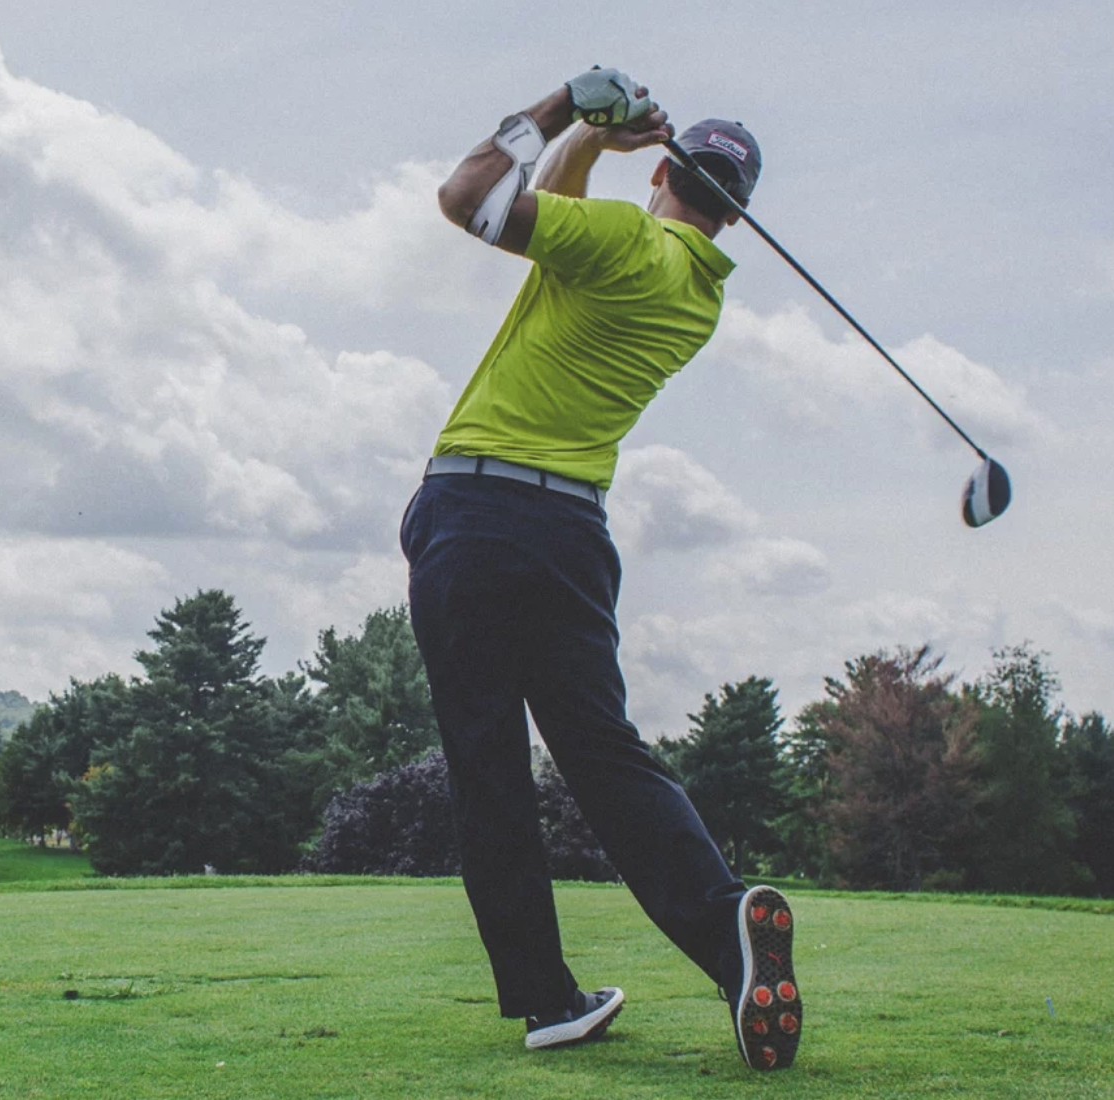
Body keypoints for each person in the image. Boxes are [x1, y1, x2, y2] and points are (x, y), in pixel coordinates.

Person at [400, 67, 801, 1071]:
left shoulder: (624, 241)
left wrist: (555, 105)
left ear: (664, 170)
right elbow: (558, 212)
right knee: (604, 753)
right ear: (736, 218)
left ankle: (542, 994)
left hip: (478, 513)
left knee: (489, 762)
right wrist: (591, 137)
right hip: (571, 532)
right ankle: (726, 937)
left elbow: (470, 199)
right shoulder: (692, 289)